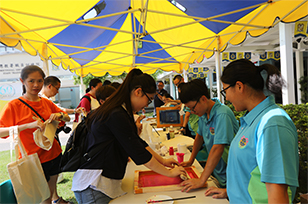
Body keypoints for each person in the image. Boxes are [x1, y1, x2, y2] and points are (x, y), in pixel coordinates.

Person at [71, 69, 185, 204]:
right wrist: (169, 173)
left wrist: (163, 161)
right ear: (138, 92)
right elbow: (138, 151)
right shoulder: (116, 113)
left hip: (100, 183)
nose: (146, 105)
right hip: (95, 186)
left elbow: (137, 141)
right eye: (148, 101)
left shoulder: (119, 110)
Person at [204, 59, 299, 203]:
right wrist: (232, 191)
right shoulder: (253, 120)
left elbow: (278, 194)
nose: (227, 98)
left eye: (225, 91)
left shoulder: (272, 124)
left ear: (239, 86)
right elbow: (252, 173)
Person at [0, 65, 70, 204]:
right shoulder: (13, 106)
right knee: (42, 198)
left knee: (50, 195)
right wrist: (27, 126)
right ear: (22, 81)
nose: (36, 85)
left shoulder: (46, 102)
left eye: (39, 81)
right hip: (32, 160)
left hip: (53, 154)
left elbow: (66, 117)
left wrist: (60, 115)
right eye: (31, 81)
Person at [179, 79, 239, 191]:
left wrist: (202, 180)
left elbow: (218, 148)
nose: (191, 112)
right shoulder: (203, 114)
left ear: (203, 99)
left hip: (231, 175)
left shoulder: (222, 114)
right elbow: (199, 137)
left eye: (193, 108)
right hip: (217, 172)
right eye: (189, 109)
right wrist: (191, 160)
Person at [41, 76, 84, 203]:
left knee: (53, 176)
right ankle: (55, 198)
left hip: (52, 144)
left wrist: (63, 114)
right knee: (45, 184)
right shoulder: (40, 100)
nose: (58, 92)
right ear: (49, 86)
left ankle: (55, 198)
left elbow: (63, 114)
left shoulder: (47, 101)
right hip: (43, 147)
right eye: (57, 88)